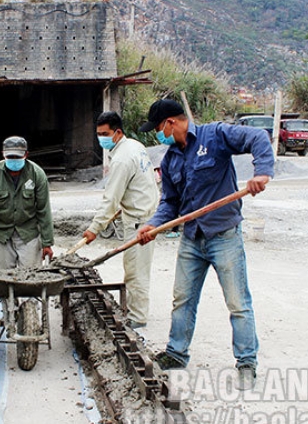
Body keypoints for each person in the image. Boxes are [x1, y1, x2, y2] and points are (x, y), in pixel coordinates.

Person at [137, 99, 273, 390]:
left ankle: (247, 362)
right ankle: (176, 353)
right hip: (191, 238)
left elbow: (258, 137)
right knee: (183, 300)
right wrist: (153, 225)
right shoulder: (171, 158)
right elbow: (170, 203)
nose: (157, 135)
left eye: (158, 129)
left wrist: (261, 172)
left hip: (224, 235)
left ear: (171, 123)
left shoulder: (215, 136)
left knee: (238, 303)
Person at [81, 111, 159, 329]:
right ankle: (135, 310)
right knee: (136, 266)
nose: (101, 139)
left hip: (139, 221)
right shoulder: (135, 146)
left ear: (117, 133)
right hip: (145, 213)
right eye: (98, 134)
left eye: (105, 134)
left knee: (136, 269)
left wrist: (94, 228)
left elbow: (111, 199)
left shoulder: (122, 159)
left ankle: (137, 317)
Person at [0, 136, 54, 269]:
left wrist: (47, 243)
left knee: (31, 277)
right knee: (4, 279)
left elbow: (44, 211)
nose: (14, 161)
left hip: (28, 234)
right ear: (3, 155)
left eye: (18, 157)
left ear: (26, 155)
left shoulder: (37, 174)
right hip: (1, 235)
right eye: (10, 157)